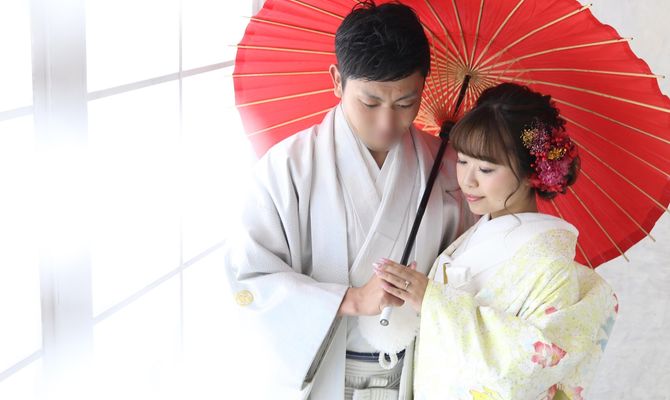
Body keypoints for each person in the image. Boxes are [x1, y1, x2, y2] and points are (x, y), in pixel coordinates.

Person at [224, 2, 473, 399]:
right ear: (337, 80)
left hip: (417, 372)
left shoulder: (446, 169)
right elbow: (248, 279)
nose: (387, 123)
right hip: (322, 374)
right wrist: (351, 299)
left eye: (405, 104)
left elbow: (472, 272)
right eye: (370, 103)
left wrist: (430, 295)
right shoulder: (287, 169)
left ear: (422, 86)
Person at [375, 83, 618, 399]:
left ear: (532, 172)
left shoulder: (548, 265)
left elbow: (527, 367)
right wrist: (412, 300)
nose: (468, 180)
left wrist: (433, 301)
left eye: (486, 168)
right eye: (463, 160)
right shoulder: (474, 235)